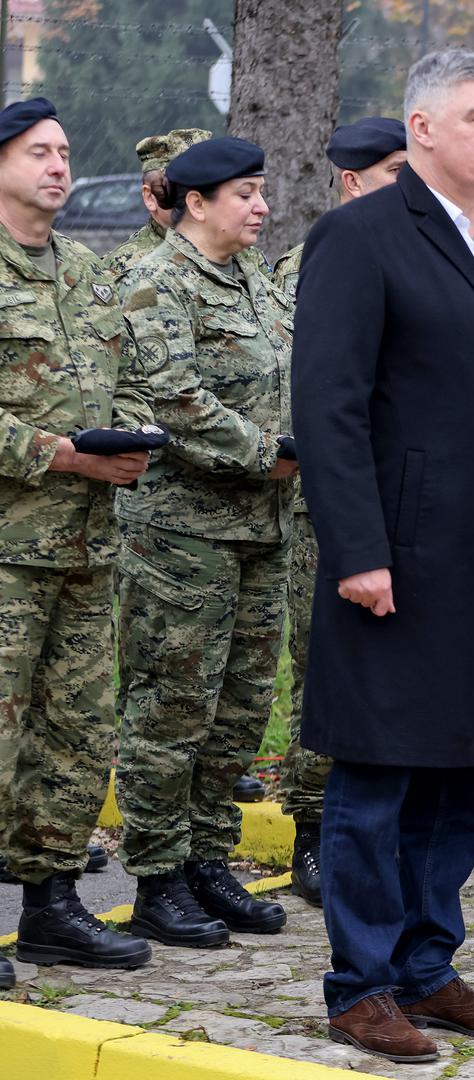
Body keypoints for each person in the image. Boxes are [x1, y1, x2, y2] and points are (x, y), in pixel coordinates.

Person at [295, 49, 474, 1062]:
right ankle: (358, 984)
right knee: (377, 780)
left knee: (462, 777)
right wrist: (358, 550)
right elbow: (327, 409)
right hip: (400, 562)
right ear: (421, 130)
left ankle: (427, 965)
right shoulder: (360, 236)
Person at [115, 136, 296, 948]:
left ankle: (208, 861)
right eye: (246, 193)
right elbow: (173, 402)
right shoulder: (156, 283)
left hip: (261, 527)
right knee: (172, 708)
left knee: (239, 708)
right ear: (196, 203)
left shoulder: (253, 277)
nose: (261, 207)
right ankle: (158, 875)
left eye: (261, 193)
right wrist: (275, 455)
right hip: (181, 533)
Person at [0, 97, 156, 987]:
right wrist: (55, 455)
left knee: (74, 735)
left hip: (87, 549)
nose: (58, 166)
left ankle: (51, 907)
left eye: (64, 151)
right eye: (37, 153)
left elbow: (122, 382)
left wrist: (128, 440)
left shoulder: (89, 273)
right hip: (9, 549)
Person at [273, 116, 408, 907]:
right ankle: (313, 837)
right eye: (394, 170)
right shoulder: (326, 255)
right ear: (352, 180)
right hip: (316, 508)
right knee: (321, 680)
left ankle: (364, 837)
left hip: (374, 502)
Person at [101, 127, 212, 284]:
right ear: (150, 197)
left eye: (208, 185)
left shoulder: (238, 254)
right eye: (182, 188)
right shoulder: (126, 266)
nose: (197, 199)